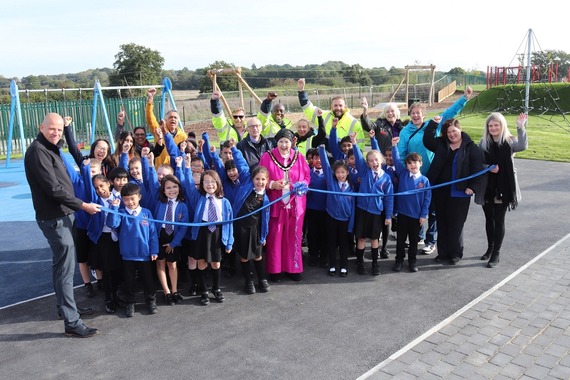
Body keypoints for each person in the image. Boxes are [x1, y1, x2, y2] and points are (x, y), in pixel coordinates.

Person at [24, 113, 101, 338]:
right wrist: (83, 205)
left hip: (64, 214)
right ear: (41, 127)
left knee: (61, 266)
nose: (56, 133)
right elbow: (54, 189)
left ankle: (67, 309)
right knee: (65, 270)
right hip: (55, 218)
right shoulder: (38, 151)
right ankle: (72, 321)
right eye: (52, 129)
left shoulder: (51, 147)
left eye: (59, 129)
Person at [398, 86, 474, 255]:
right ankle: (417, 235)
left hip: (432, 176)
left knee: (432, 208)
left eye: (419, 113)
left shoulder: (432, 125)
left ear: (423, 115)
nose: (416, 115)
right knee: (415, 207)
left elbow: (449, 114)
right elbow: (402, 153)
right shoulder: (405, 132)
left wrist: (464, 99)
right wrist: (407, 172)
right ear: (410, 115)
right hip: (414, 176)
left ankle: (430, 240)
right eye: (413, 113)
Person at [423, 117, 483, 265]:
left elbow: (478, 169)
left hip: (460, 192)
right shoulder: (441, 144)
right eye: (448, 132)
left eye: (454, 131)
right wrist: (433, 124)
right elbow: (427, 140)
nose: (451, 135)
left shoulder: (471, 148)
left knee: (456, 224)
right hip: (441, 190)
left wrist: (472, 187)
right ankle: (443, 253)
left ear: (460, 130)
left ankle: (455, 253)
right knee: (442, 222)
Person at [476, 112, 528, 268]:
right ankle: (490, 248)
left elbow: (523, 146)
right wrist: (488, 168)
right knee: (489, 219)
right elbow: (477, 163)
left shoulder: (510, 141)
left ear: (502, 125)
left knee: (499, 220)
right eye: (490, 126)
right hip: (487, 187)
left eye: (496, 125)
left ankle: (496, 254)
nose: (493, 128)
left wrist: (520, 127)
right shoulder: (483, 143)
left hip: (504, 187)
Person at [259, 128, 310, 282]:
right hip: (276, 205)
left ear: (291, 142)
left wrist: (302, 185)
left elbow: (307, 176)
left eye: (286, 142)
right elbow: (260, 177)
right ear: (277, 142)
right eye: (281, 141)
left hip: (295, 205)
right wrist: (272, 184)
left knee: (293, 237)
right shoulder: (267, 157)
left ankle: (293, 268)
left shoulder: (299, 157)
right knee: (275, 237)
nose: (284, 145)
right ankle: (275, 270)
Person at [107, 183, 159, 317]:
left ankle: (150, 300)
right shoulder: (121, 213)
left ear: (139, 197)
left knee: (148, 280)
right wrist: (114, 207)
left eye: (132, 198)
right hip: (127, 256)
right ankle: (130, 302)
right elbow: (112, 224)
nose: (129, 202)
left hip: (145, 255)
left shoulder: (147, 213)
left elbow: (153, 234)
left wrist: (154, 251)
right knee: (129, 282)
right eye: (126, 199)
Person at [186, 170, 234, 305]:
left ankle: (216, 288)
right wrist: (184, 167)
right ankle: (204, 290)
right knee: (201, 262)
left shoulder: (224, 202)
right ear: (201, 184)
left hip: (217, 233)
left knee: (216, 262)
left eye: (212, 181)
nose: (209, 184)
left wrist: (229, 242)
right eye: (206, 181)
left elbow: (229, 224)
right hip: (202, 232)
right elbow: (189, 185)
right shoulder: (199, 198)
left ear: (218, 183)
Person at [351, 132, 394, 276]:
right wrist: (354, 143)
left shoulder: (386, 178)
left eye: (376, 160)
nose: (374, 163)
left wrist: (388, 215)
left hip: (376, 212)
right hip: (362, 210)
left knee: (375, 238)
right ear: (367, 163)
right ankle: (360, 263)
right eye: (371, 161)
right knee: (361, 238)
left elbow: (389, 198)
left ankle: (375, 264)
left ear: (381, 160)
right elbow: (357, 157)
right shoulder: (364, 172)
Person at [390, 138, 431, 272]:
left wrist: (423, 214)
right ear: (406, 165)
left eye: (415, 163)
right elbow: (396, 160)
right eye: (410, 163)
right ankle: (399, 261)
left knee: (414, 242)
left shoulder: (424, 181)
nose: (413, 165)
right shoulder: (403, 174)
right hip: (402, 214)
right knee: (400, 241)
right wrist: (394, 146)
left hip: (416, 217)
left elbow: (427, 199)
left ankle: (412, 262)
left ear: (421, 163)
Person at [232, 165, 271, 294]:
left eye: (263, 179)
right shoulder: (246, 188)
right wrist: (233, 148)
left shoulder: (266, 199)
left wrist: (263, 235)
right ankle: (248, 280)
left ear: (267, 180)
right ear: (252, 179)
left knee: (258, 255)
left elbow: (265, 219)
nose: (260, 182)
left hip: (256, 230)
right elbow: (242, 165)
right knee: (244, 256)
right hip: (242, 229)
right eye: (257, 179)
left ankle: (261, 278)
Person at [297, 78, 366, 149]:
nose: (338, 108)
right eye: (335, 105)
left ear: (345, 107)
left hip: (342, 158)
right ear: (331, 107)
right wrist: (301, 91)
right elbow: (308, 108)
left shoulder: (354, 122)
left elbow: (360, 143)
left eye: (340, 105)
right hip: (324, 157)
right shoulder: (323, 115)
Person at [151, 174, 188, 305]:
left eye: (174, 187)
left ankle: (174, 290)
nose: (172, 190)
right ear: (163, 190)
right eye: (168, 188)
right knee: (160, 263)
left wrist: (173, 243)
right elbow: (151, 181)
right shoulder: (159, 202)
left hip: (173, 238)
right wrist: (149, 164)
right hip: (160, 236)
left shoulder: (182, 206)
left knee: (172, 264)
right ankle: (166, 291)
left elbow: (183, 227)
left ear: (179, 187)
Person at [318, 145, 355, 277]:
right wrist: (322, 150)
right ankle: (332, 265)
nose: (340, 175)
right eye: (338, 172)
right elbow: (326, 166)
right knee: (331, 242)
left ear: (347, 173)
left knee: (344, 244)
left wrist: (351, 225)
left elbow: (353, 209)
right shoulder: (331, 183)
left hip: (345, 220)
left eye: (343, 172)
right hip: (331, 218)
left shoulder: (352, 188)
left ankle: (344, 266)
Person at [146, 87, 187, 167]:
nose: (173, 119)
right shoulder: (158, 130)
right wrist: (150, 99)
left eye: (175, 118)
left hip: (175, 170)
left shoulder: (183, 136)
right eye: (170, 117)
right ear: (165, 120)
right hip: (160, 170)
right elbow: (150, 118)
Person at [305, 148, 328, 268]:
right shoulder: (308, 173)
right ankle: (313, 255)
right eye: (315, 158)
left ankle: (324, 256)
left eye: (321, 158)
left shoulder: (330, 174)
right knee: (312, 233)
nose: (318, 161)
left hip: (325, 209)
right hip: (311, 209)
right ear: (312, 160)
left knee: (324, 234)